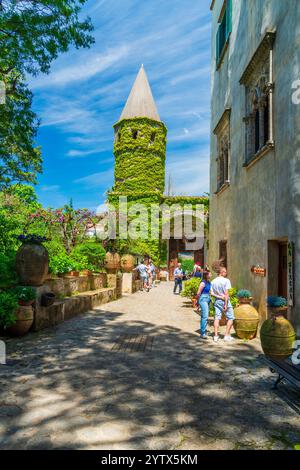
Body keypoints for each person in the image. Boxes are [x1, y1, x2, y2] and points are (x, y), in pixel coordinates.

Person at [211, 266, 235, 342]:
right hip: (225, 301)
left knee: (217, 318)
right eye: (225, 271)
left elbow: (212, 293)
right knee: (231, 318)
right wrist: (225, 303)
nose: (226, 273)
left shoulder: (213, 281)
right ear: (221, 272)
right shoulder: (226, 281)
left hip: (217, 300)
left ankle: (215, 336)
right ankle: (226, 335)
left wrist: (218, 296)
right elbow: (226, 294)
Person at [196, 270, 212, 339]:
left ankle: (203, 330)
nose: (211, 275)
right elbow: (198, 292)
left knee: (205, 315)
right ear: (206, 275)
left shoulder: (209, 282)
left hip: (208, 298)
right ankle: (202, 333)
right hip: (203, 298)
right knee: (205, 315)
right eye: (210, 274)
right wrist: (197, 301)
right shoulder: (203, 282)